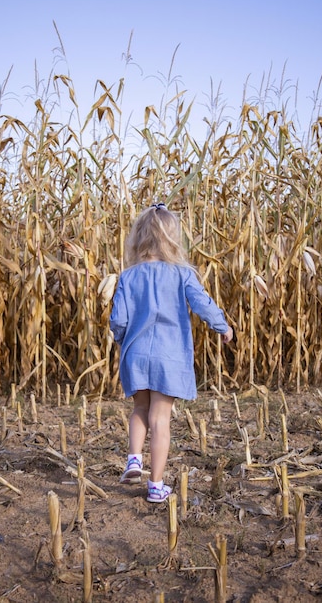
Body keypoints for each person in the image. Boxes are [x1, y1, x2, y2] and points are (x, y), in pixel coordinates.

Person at [110, 203, 233, 503]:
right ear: (172, 237)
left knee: (140, 409)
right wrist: (223, 327)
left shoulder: (128, 276)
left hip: (135, 355)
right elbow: (202, 303)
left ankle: (134, 459)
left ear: (139, 238)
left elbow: (119, 320)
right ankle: (155, 486)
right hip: (169, 356)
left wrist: (123, 340)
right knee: (160, 418)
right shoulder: (181, 274)